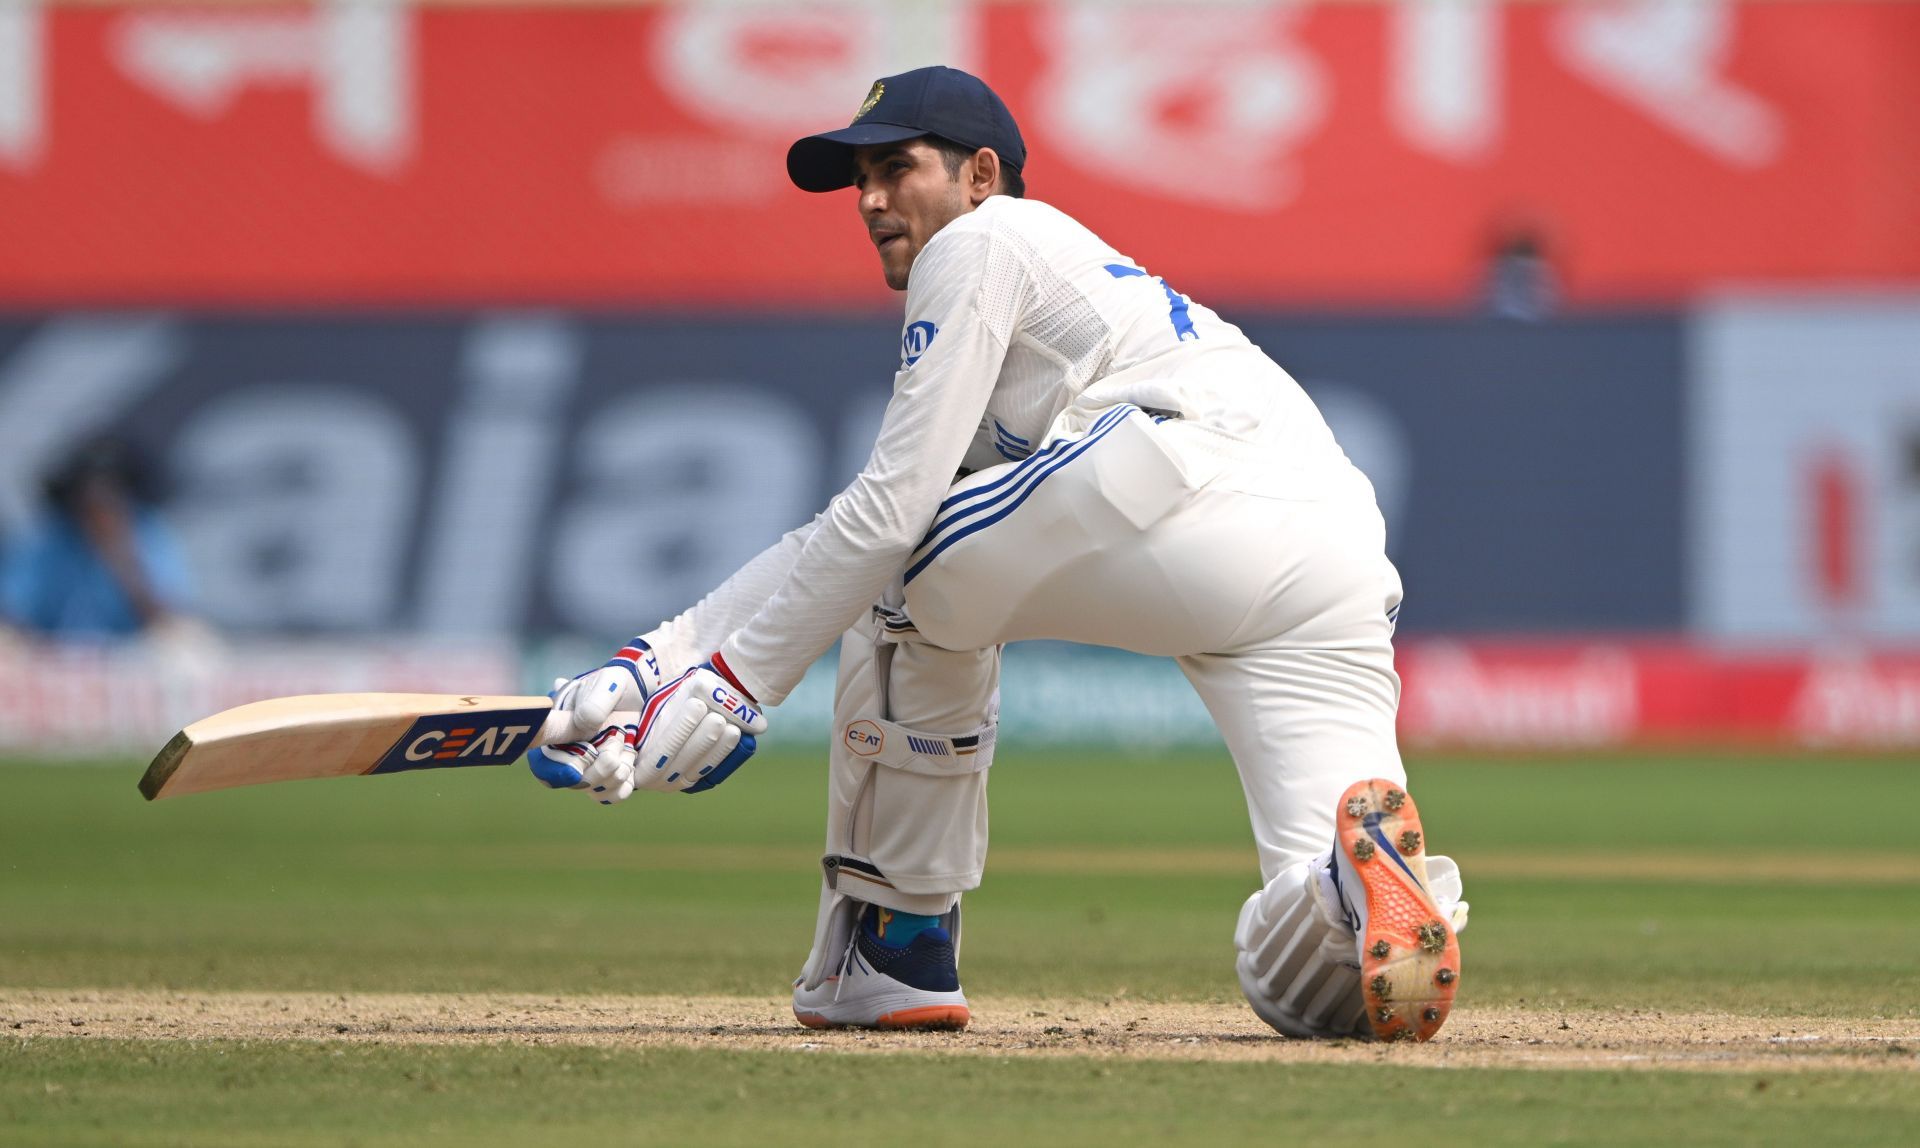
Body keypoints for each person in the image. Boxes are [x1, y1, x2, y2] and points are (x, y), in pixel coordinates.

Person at [527, 66, 1468, 1042]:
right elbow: (856, 526)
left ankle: (895, 944)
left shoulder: (980, 239)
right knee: (1312, 979)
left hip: (1184, 469)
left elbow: (884, 518)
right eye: (859, 181)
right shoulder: (1074, 282)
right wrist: (657, 658)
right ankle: (1351, 894)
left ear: (982, 173)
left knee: (901, 579)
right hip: (1333, 536)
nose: (873, 201)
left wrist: (732, 680)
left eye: (897, 167)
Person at [0, 437, 196, 641]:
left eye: (109, 493)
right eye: (87, 493)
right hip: (54, 657)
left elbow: (168, 620)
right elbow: (13, 612)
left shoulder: (148, 533)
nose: (98, 504)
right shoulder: (49, 541)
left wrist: (121, 555)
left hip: (131, 659)